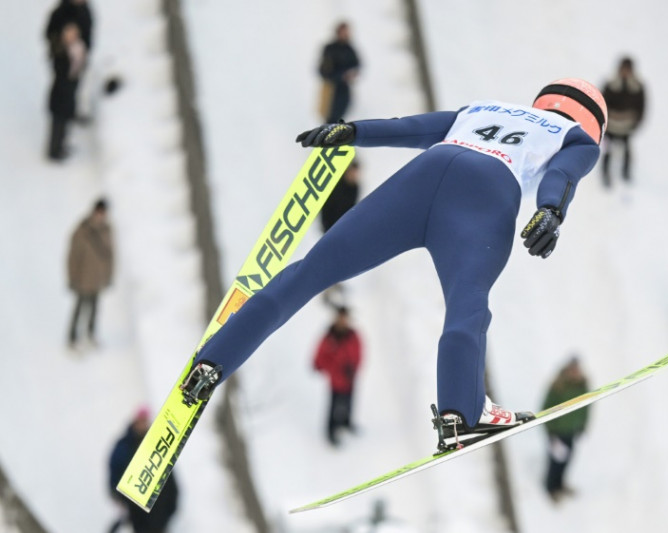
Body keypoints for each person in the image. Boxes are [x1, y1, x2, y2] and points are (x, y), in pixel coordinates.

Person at [184, 78, 607, 451]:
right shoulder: (577, 138)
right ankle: (460, 413)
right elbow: (563, 175)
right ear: (594, 125)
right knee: (467, 305)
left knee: (313, 270)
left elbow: (411, 128)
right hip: (484, 195)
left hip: (422, 177)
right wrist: (551, 210)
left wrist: (352, 131)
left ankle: (213, 360)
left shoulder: (485, 109)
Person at [108, 408, 179, 533]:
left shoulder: (156, 446)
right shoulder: (124, 445)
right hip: (136, 511)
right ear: (135, 421)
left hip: (159, 516)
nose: (143, 424)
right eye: (141, 421)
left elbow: (170, 480)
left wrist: (170, 508)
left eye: (145, 421)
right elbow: (115, 471)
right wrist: (120, 497)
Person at [542, 358, 590, 503]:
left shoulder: (582, 386)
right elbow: (545, 408)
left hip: (571, 431)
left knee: (567, 460)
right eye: (572, 369)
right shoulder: (558, 386)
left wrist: (582, 425)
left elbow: (586, 408)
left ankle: (561, 484)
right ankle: (551, 488)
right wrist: (551, 431)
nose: (575, 372)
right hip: (557, 432)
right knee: (555, 462)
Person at [67, 199, 114, 347]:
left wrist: (108, 276)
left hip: (97, 279)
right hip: (82, 278)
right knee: (79, 308)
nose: (101, 215)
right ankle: (72, 337)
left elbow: (110, 256)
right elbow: (73, 256)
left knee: (94, 309)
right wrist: (72, 277)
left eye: (103, 212)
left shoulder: (107, 230)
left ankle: (90, 334)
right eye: (99, 211)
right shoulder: (83, 229)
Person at [313, 307, 363, 446]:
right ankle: (331, 431)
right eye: (340, 318)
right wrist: (332, 369)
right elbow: (320, 357)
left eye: (345, 318)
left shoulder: (353, 335)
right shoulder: (329, 337)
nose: (343, 321)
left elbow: (359, 354)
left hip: (350, 379)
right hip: (335, 381)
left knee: (349, 403)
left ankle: (347, 423)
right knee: (333, 406)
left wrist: (353, 369)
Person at [600, 57, 645, 187]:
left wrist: (635, 124)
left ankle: (626, 174)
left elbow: (641, 108)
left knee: (627, 151)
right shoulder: (610, 85)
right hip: (611, 126)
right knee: (607, 151)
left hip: (626, 128)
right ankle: (605, 174)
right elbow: (602, 104)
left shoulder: (637, 87)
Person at [47, 22, 88, 161]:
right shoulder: (59, 51)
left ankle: (60, 147)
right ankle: (54, 151)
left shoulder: (77, 48)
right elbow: (61, 70)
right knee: (58, 123)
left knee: (64, 123)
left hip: (69, 91)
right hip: (60, 93)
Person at [318, 22, 361, 123]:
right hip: (331, 88)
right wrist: (341, 75)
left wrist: (352, 74)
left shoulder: (350, 49)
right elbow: (324, 70)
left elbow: (357, 65)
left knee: (341, 115)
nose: (345, 34)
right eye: (343, 32)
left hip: (344, 88)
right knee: (329, 118)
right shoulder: (330, 48)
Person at [320, 161, 361, 233]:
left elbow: (352, 208)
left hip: (344, 227)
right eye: (352, 173)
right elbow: (327, 207)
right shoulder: (336, 187)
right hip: (331, 226)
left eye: (355, 173)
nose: (354, 175)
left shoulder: (355, 188)